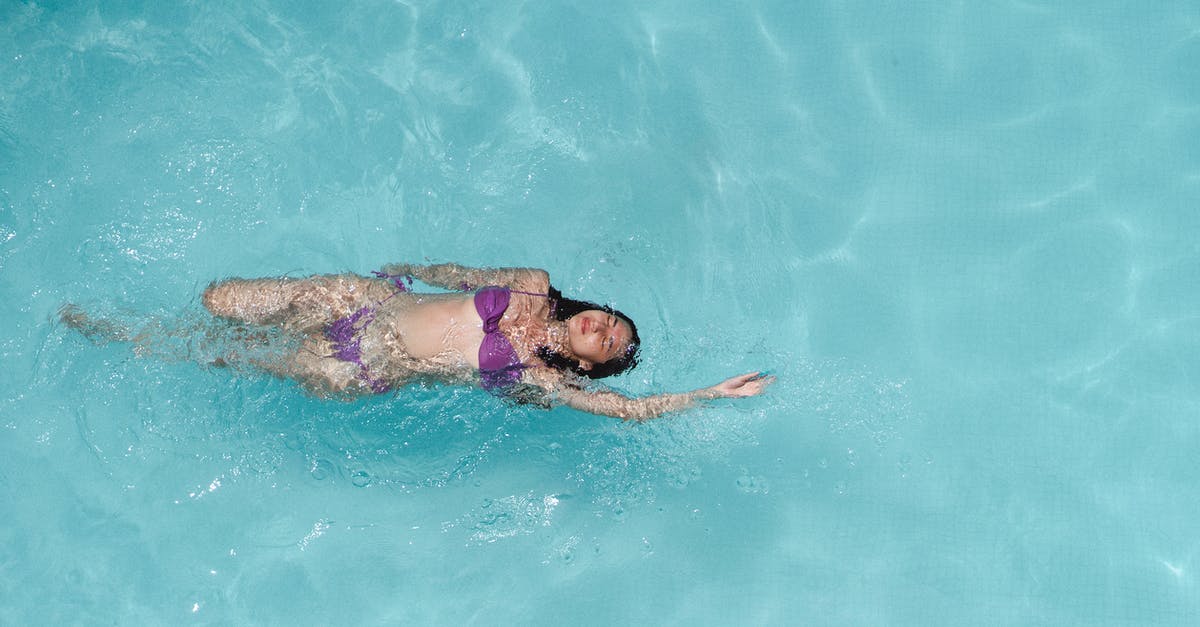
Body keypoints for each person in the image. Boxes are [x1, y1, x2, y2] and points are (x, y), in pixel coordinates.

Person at [63, 262, 773, 420]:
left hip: (357, 363)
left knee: (212, 349)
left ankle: (109, 331)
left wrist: (710, 394)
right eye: (611, 320)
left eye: (611, 346)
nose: (604, 330)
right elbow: (459, 271)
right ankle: (116, 305)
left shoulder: (540, 376)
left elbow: (628, 411)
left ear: (592, 364)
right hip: (362, 299)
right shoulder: (532, 282)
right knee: (220, 300)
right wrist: (408, 269)